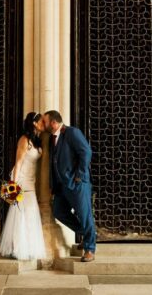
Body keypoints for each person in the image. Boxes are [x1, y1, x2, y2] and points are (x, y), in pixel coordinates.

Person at [43, 110, 97, 262]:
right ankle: (87, 233)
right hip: (61, 186)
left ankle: (89, 249)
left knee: (85, 215)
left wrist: (79, 176)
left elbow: (86, 152)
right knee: (59, 212)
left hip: (77, 184)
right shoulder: (52, 138)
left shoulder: (72, 132)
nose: (44, 124)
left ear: (54, 122)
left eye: (45, 121)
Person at [0, 112, 47, 261]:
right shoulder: (24, 140)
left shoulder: (37, 141)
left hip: (31, 181)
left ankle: (28, 247)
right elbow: (18, 163)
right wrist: (13, 185)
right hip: (22, 180)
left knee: (31, 214)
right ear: (34, 123)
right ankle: (17, 249)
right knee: (19, 215)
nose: (44, 124)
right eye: (41, 122)